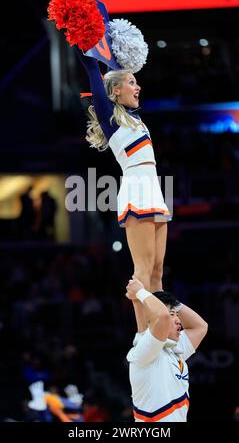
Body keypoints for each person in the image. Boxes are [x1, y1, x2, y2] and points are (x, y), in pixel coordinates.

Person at [77, 51, 171, 291]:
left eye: (136, 82)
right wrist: (84, 42)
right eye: (131, 82)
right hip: (136, 190)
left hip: (154, 190)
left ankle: (159, 327)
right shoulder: (111, 119)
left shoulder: (135, 119)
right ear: (116, 90)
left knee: (158, 271)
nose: (137, 87)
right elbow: (91, 69)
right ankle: (142, 330)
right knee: (143, 270)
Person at [126, 277, 208, 422]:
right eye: (172, 315)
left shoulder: (173, 350)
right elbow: (162, 317)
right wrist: (140, 291)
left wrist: (164, 297)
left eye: (177, 314)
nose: (179, 320)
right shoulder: (145, 351)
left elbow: (200, 326)